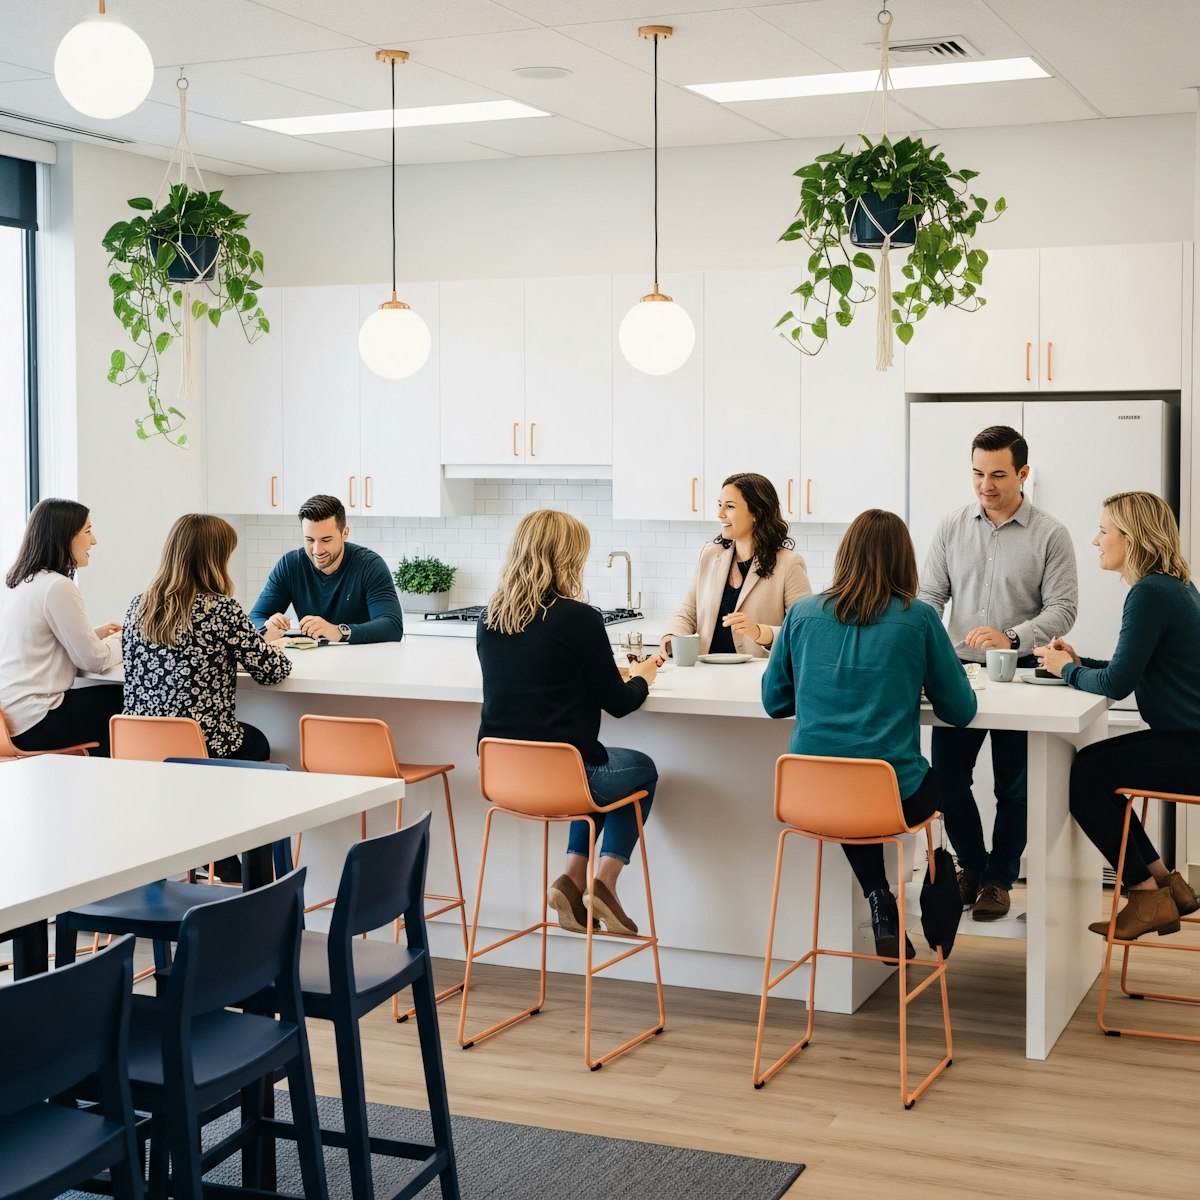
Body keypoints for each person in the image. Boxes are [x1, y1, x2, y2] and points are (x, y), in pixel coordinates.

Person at [763, 509, 977, 960]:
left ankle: (880, 897)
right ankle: (946, 875)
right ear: (905, 561)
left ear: (844, 556)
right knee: (939, 784)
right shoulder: (918, 619)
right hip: (889, 797)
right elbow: (960, 710)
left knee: (849, 782)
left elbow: (774, 702)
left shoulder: (801, 615)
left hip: (810, 794)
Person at [919, 425, 1077, 921]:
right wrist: (925, 650)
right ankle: (973, 864)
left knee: (1014, 787)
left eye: (998, 474)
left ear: (1023, 473)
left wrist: (1011, 637)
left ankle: (998, 879)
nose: (985, 484)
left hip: (1022, 673)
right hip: (958, 674)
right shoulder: (951, 527)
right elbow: (929, 599)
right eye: (977, 473)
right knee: (946, 778)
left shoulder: (1050, 534)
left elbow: (1063, 609)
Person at [476, 509, 659, 937]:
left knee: (582, 774)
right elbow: (619, 703)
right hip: (567, 777)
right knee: (640, 770)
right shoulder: (579, 618)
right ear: (565, 558)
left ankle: (572, 880)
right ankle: (604, 883)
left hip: (504, 777)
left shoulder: (490, 618)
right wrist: (643, 677)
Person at [1034, 491, 1200, 940]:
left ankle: (1146, 897)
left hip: (1189, 748)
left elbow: (1116, 686)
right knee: (1091, 767)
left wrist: (1065, 670)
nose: (1095, 540)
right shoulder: (1172, 586)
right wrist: (1077, 663)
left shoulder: (1149, 593)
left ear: (1132, 538)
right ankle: (1167, 885)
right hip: (1184, 739)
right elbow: (1126, 668)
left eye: (1104, 530)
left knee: (1086, 777)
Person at [123, 513, 292, 763]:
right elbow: (273, 672)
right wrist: (272, 647)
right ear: (214, 560)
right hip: (203, 745)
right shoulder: (222, 609)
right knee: (258, 741)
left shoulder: (139, 605)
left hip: (139, 747)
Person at [0, 499, 124, 756]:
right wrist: (128, 640)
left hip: (9, 719)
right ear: (65, 537)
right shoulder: (57, 586)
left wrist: (94, 634)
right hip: (36, 720)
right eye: (88, 532)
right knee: (125, 699)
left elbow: (37, 642)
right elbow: (95, 660)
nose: (94, 541)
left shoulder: (15, 582)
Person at [662, 472, 811, 660]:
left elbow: (805, 629)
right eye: (719, 505)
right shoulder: (709, 555)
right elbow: (689, 611)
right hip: (705, 673)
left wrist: (759, 632)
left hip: (758, 676)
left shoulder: (788, 564)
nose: (720, 514)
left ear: (756, 513)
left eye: (730, 506)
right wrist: (672, 635)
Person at [248, 494, 404, 643]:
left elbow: (392, 626)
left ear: (345, 533)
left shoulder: (370, 565)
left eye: (326, 540)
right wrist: (267, 626)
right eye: (309, 540)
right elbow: (255, 617)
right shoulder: (290, 565)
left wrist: (338, 631)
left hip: (362, 662)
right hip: (311, 663)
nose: (317, 550)